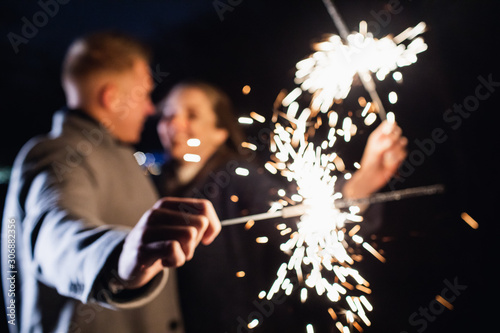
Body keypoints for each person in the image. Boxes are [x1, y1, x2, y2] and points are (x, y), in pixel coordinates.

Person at [1, 31, 221, 333]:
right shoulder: (60, 154)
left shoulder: (114, 154)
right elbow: (55, 236)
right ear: (111, 97)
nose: (149, 108)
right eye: (144, 94)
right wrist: (122, 255)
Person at [153, 80, 408, 332]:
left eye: (192, 115)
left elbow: (291, 216)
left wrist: (360, 184)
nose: (174, 124)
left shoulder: (236, 176)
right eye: (167, 115)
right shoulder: (154, 185)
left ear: (220, 131)